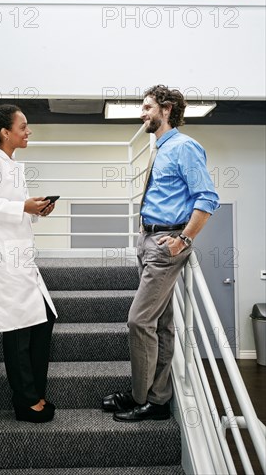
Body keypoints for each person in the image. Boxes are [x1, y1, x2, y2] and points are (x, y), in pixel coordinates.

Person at [102, 85, 220, 422]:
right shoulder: (161, 147)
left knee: (138, 320)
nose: (142, 113)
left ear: (166, 109)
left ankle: (141, 396)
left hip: (167, 244)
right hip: (149, 239)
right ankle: (155, 398)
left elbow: (207, 199)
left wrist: (183, 239)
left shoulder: (184, 147)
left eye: (147, 106)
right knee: (163, 324)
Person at [0, 104, 57, 423]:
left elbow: (15, 209)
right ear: (5, 132)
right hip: (4, 256)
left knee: (44, 319)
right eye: (23, 127)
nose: (28, 131)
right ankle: (26, 401)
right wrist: (23, 205)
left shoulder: (11, 165)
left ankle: (35, 393)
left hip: (21, 256)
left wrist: (35, 210)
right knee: (18, 330)